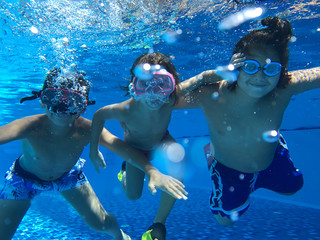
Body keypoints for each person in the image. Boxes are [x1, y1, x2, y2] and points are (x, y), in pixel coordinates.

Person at [176, 16, 320, 226]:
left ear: (281, 71)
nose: (260, 77)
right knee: (225, 221)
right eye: (251, 66)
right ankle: (211, 156)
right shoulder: (212, 93)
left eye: (271, 69)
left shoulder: (284, 87)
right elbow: (165, 99)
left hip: (271, 160)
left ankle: (274, 144)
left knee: (294, 188)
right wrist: (204, 77)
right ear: (236, 67)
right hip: (230, 171)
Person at [0, 67, 131, 240]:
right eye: (53, 98)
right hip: (23, 179)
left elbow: (121, 146)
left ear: (83, 107)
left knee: (101, 224)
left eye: (72, 101)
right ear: (42, 100)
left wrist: (149, 169)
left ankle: (120, 235)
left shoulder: (87, 129)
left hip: (67, 176)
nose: (61, 108)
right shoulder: (29, 126)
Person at [89, 52, 190, 240]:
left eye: (162, 84)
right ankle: (125, 172)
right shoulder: (125, 110)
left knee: (178, 156)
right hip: (135, 151)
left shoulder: (169, 101)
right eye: (145, 84)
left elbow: (197, 81)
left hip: (162, 141)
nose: (153, 93)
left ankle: (158, 224)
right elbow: (99, 116)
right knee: (133, 195)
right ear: (134, 86)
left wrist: (211, 76)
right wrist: (93, 150)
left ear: (171, 85)